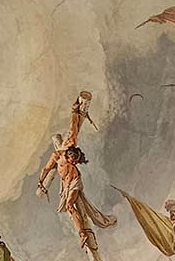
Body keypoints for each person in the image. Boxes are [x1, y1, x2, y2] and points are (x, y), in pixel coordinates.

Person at [37, 93, 116, 249]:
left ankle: (82, 234)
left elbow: (74, 128)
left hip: (74, 182)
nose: (72, 161)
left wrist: (76, 111)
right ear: (68, 154)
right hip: (66, 184)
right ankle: (88, 228)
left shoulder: (70, 146)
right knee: (72, 207)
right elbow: (46, 168)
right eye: (72, 159)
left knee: (70, 206)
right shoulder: (58, 153)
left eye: (75, 161)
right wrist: (40, 182)